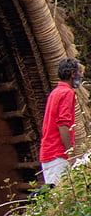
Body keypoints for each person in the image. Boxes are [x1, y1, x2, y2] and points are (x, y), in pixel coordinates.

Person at [39, 57, 83, 185]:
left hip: (50, 152)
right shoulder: (67, 93)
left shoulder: (56, 92)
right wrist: (70, 153)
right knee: (62, 193)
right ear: (73, 74)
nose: (81, 76)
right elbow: (63, 124)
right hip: (57, 153)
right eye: (80, 72)